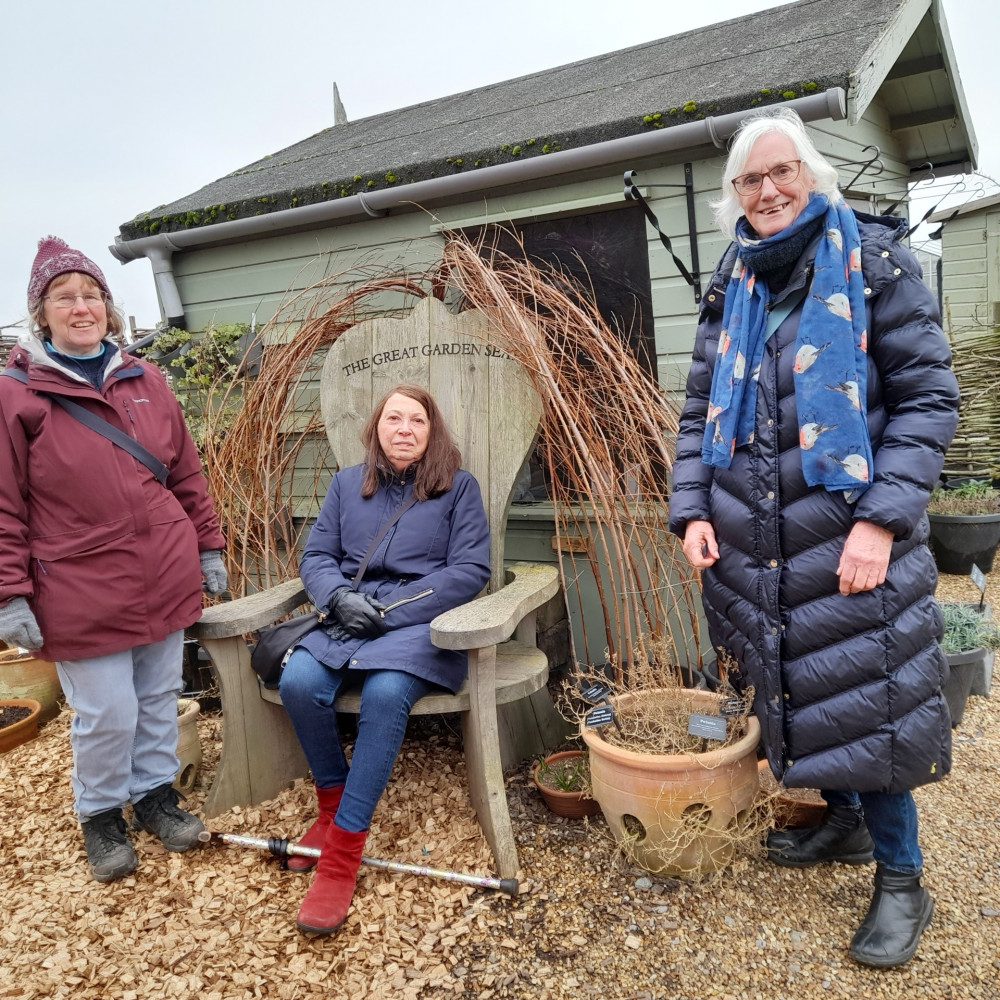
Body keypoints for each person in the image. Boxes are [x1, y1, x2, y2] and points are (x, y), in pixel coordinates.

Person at [668, 109, 960, 968]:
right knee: (803, 687)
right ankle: (841, 824)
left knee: (873, 698)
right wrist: (691, 511)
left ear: (812, 175)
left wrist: (879, 520)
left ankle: (905, 879)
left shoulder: (872, 264)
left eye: (782, 171)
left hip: (852, 542)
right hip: (757, 543)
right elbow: (697, 415)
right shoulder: (733, 282)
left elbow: (928, 400)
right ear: (735, 197)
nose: (767, 191)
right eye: (749, 180)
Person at [0, 236, 228, 883]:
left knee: (158, 695)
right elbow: (3, 505)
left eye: (91, 294)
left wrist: (208, 545)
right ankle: (100, 812)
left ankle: (155, 794)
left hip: (163, 571)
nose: (81, 306)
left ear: (108, 306)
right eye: (63, 296)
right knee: (107, 711)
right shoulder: (16, 397)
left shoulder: (145, 379)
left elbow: (186, 471)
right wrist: (9, 593)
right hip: (77, 586)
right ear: (40, 314)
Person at [279, 383, 490, 935]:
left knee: (385, 692)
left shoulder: (458, 490)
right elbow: (317, 555)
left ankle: (344, 852)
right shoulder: (349, 484)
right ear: (376, 427)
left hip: (418, 623)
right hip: (346, 614)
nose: (403, 429)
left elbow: (469, 571)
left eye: (416, 420)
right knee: (300, 679)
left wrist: (389, 612)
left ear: (431, 431)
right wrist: (336, 599)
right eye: (393, 419)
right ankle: (328, 810)